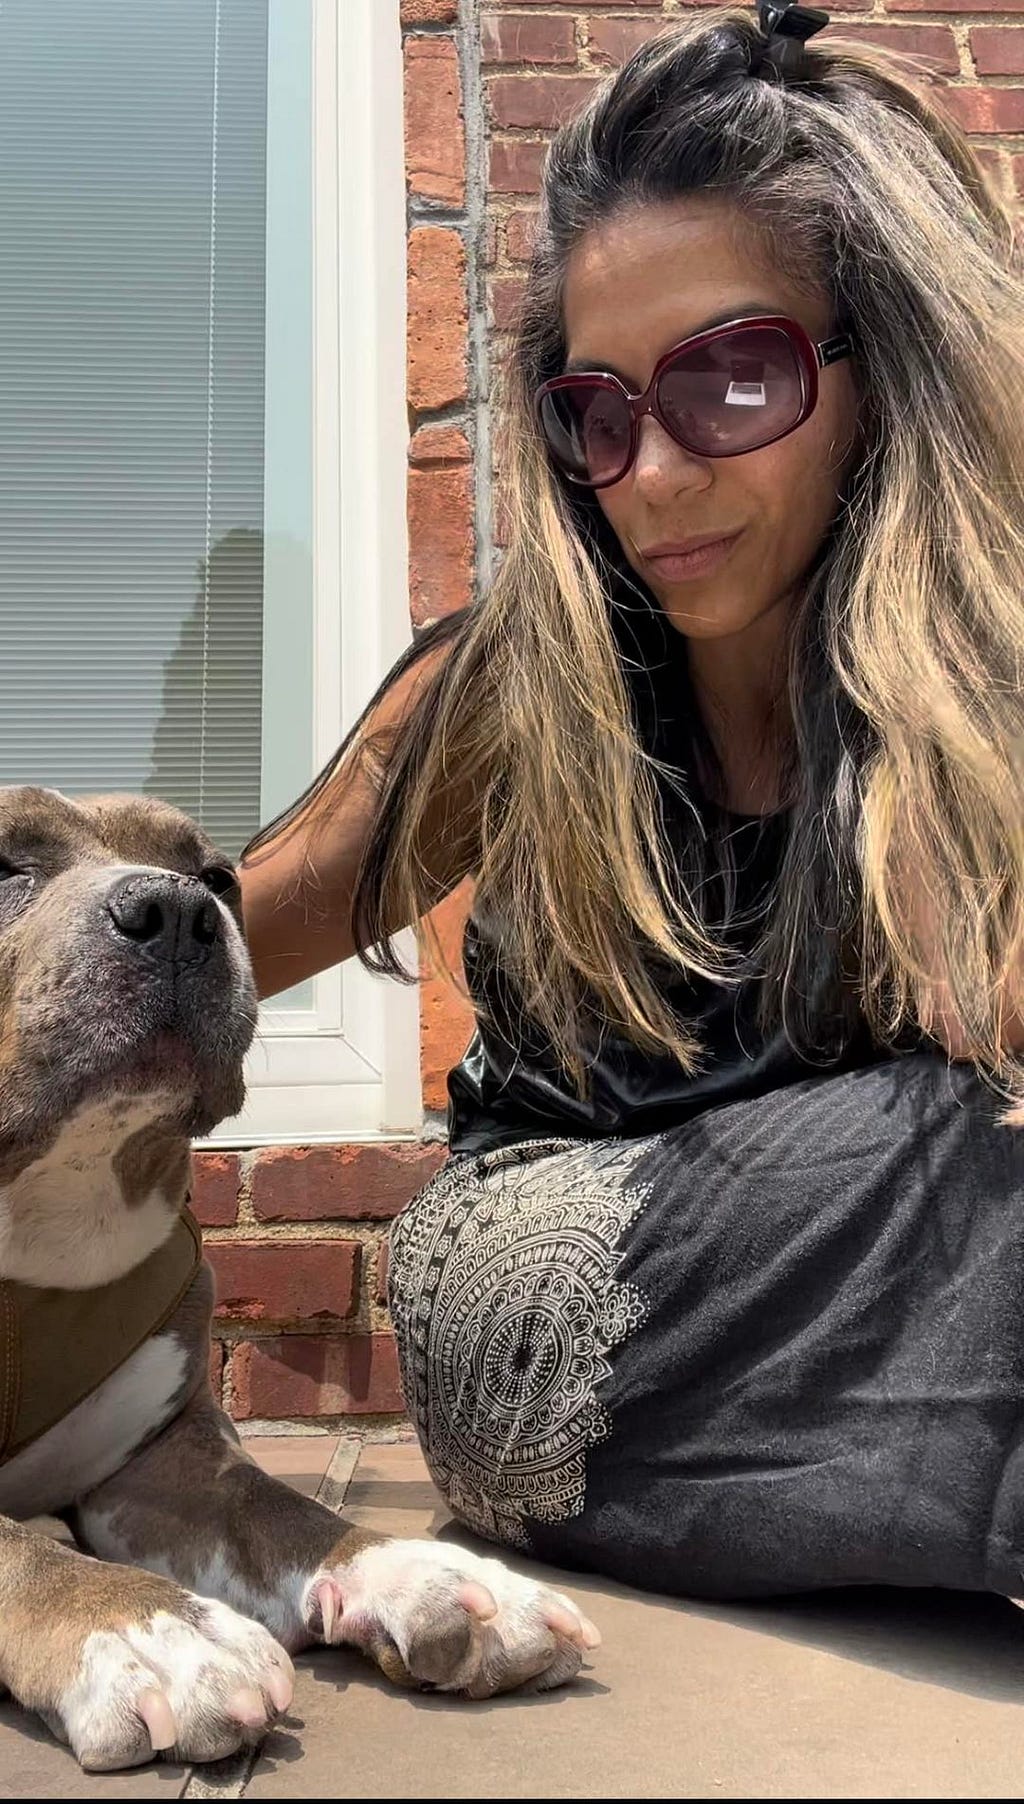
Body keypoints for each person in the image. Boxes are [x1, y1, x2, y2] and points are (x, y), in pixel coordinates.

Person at [239, 3, 1024, 1603]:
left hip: (884, 1304)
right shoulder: (527, 685)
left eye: (732, 380)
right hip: (547, 1297)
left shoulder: (981, 708)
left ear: (882, 371)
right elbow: (210, 945)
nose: (653, 472)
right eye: (597, 410)